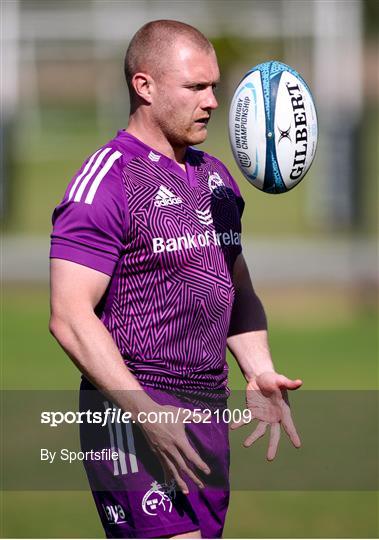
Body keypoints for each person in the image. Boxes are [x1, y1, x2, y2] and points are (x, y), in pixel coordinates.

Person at [49, 20, 302, 539]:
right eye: (195, 87)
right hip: (130, 410)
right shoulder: (107, 179)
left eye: (214, 86)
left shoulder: (217, 180)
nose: (212, 101)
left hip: (208, 411)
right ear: (144, 86)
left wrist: (258, 371)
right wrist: (144, 412)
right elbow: (69, 316)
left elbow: (236, 291)